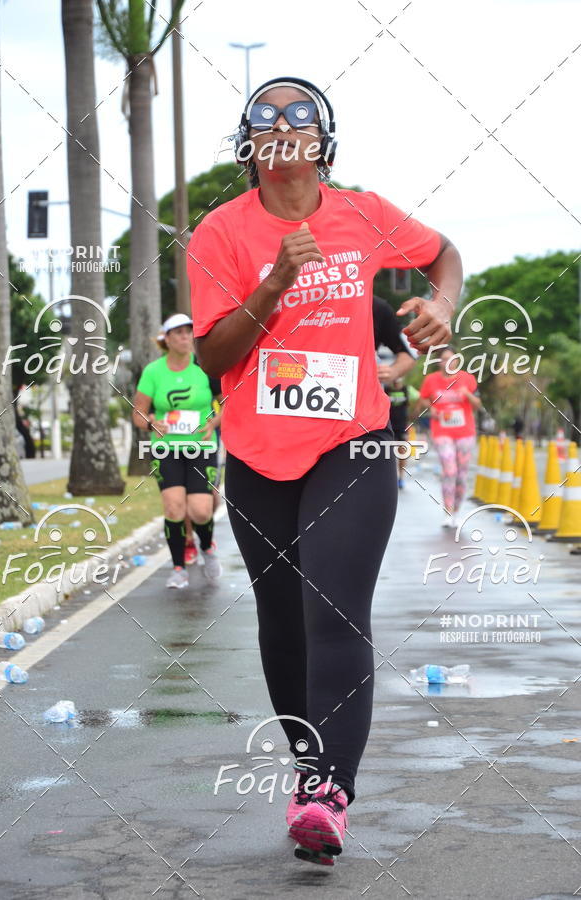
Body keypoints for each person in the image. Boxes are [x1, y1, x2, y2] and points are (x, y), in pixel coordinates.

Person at [187, 76, 462, 865]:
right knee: (282, 624)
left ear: (322, 140)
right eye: (264, 119)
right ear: (249, 144)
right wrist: (274, 281)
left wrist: (443, 299)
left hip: (356, 442)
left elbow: (444, 253)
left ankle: (330, 793)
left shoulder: (364, 213)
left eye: (298, 117)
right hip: (257, 452)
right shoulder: (219, 233)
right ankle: (309, 771)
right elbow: (214, 357)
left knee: (333, 609)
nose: (282, 128)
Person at [131, 313, 223, 589]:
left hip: (201, 447)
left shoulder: (206, 368)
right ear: (166, 339)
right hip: (166, 449)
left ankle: (206, 547)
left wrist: (214, 421)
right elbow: (138, 412)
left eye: (188, 332)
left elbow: (226, 401)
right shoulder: (153, 372)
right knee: (173, 508)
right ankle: (179, 569)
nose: (185, 337)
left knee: (201, 511)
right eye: (179, 332)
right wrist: (151, 424)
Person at [418, 347, 481, 527]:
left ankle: (457, 512)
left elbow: (477, 404)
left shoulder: (467, 379)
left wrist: (467, 394)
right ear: (440, 362)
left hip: (465, 432)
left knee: (461, 475)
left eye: (451, 359)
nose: (448, 362)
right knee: (449, 470)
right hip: (442, 431)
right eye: (444, 359)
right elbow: (423, 399)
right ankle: (447, 511)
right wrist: (431, 409)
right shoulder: (431, 380)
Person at [372, 295, 419, 487]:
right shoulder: (292, 292)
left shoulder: (377, 307)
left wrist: (394, 371)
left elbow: (409, 352)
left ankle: (399, 476)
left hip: (382, 422)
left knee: (397, 449)